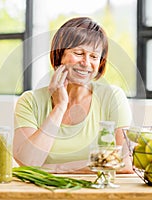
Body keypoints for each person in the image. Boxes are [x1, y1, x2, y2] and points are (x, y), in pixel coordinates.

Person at [13, 17, 133, 173]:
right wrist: (59, 107)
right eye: (78, 53)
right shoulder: (30, 101)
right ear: (59, 55)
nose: (86, 63)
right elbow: (28, 163)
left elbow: (125, 162)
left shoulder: (112, 97)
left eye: (94, 57)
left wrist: (59, 168)